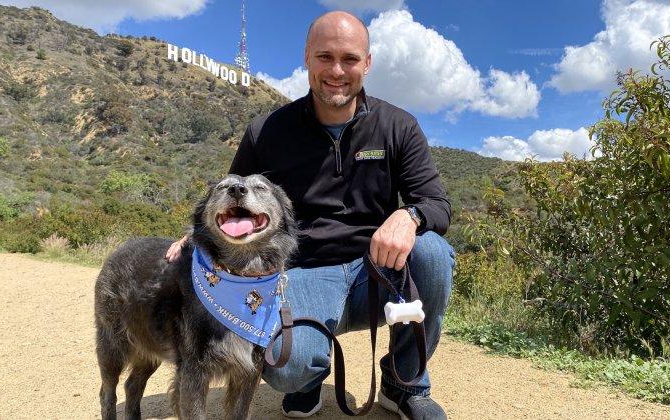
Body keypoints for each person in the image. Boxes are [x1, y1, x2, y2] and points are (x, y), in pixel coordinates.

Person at [166, 10, 454, 419]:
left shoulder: (398, 126)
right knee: (287, 365)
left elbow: (437, 205)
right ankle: (305, 382)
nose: (337, 70)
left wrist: (409, 216)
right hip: (299, 274)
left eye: (350, 59)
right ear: (306, 58)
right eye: (325, 57)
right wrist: (196, 236)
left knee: (432, 253)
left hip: (374, 271)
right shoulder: (267, 131)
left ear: (367, 64)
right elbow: (229, 199)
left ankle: (404, 384)